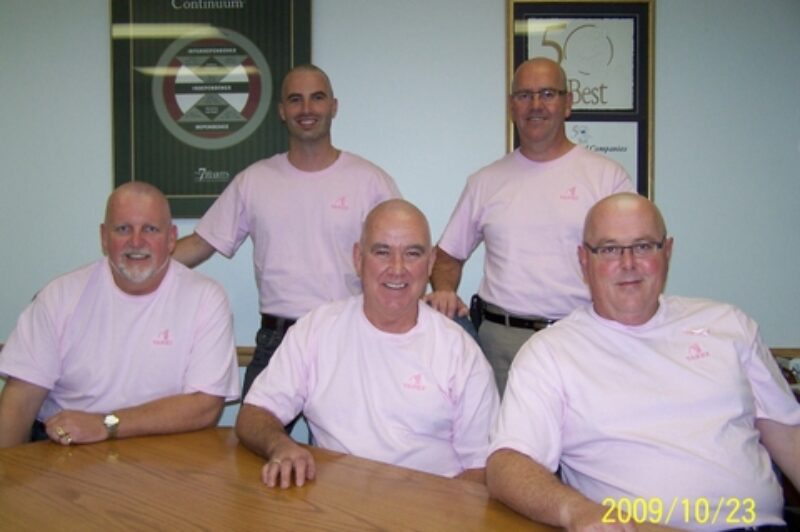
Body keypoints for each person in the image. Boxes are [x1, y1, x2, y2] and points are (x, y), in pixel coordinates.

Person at [487, 193, 800, 531]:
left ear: (667, 251)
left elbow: (789, 435)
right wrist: (575, 511)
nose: (628, 263)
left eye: (643, 246)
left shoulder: (729, 325)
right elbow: (507, 465)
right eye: (609, 249)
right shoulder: (551, 353)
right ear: (583, 260)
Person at [236, 200, 499, 488]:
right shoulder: (316, 329)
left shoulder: (461, 353)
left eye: (412, 253)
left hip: (432, 503)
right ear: (358, 259)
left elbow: (480, 469)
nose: (397, 269)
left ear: (431, 263)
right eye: (382, 252)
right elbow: (254, 414)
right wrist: (281, 446)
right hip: (334, 501)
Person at [172, 64, 401, 396]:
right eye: (295, 100)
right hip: (276, 342)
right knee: (253, 429)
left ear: (333, 106)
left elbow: (401, 257)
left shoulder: (370, 181)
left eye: (317, 98)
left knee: (359, 432)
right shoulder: (255, 180)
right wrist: (135, 266)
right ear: (282, 110)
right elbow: (200, 244)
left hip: (348, 338)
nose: (306, 109)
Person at [426, 57, 634, 395]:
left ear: (568, 103)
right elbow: (447, 256)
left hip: (582, 338)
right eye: (524, 95)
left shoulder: (606, 178)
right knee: (503, 431)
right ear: (512, 106)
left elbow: (631, 258)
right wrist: (445, 290)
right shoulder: (485, 182)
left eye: (547, 94)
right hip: (502, 345)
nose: (536, 105)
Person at [0, 182, 239, 448]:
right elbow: (19, 402)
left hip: (165, 447)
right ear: (104, 237)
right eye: (123, 229)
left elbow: (205, 406)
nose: (136, 242)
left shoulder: (205, 298)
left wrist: (106, 424)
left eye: (150, 229)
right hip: (65, 445)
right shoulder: (58, 297)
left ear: (171, 238)